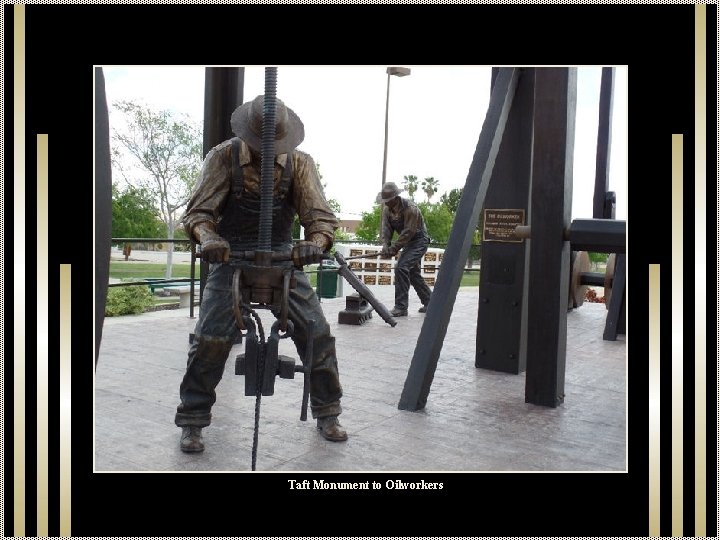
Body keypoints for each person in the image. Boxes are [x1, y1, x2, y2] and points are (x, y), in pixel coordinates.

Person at [175, 95, 347, 453]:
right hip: (232, 255)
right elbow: (197, 214)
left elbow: (321, 218)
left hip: (284, 260)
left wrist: (314, 242)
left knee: (317, 332)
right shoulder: (223, 156)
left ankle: (328, 411)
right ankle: (192, 419)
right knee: (210, 339)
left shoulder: (301, 164)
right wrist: (209, 238)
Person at [377, 181, 433, 317]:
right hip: (408, 243)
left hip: (419, 241)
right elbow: (386, 229)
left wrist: (394, 249)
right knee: (412, 273)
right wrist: (386, 246)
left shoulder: (410, 208)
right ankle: (431, 302)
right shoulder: (387, 210)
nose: (386, 203)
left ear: (396, 198)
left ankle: (401, 307)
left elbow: (409, 231)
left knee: (401, 267)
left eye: (388, 200)